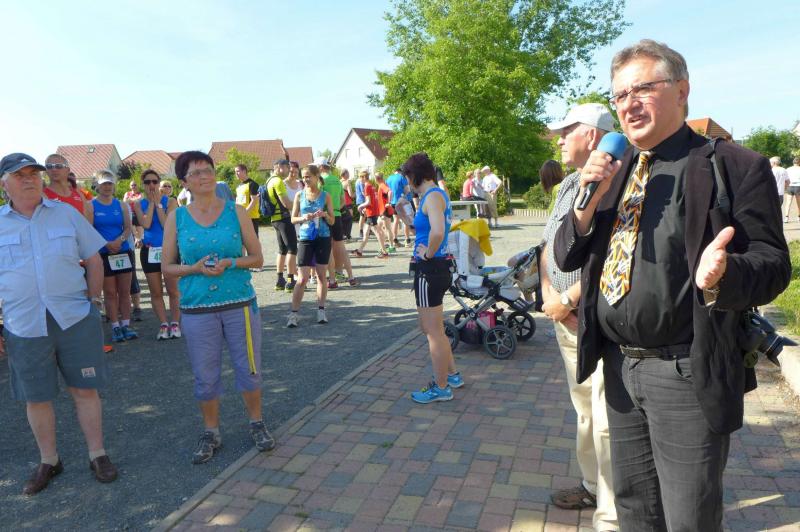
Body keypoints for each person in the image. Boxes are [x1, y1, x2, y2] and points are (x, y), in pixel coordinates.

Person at [553, 39, 790, 531]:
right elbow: (566, 254)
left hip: (685, 372)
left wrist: (725, 275)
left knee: (688, 518)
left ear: (682, 91)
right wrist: (585, 204)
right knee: (635, 511)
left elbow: (773, 265)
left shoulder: (732, 165)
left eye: (643, 88)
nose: (629, 104)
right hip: (618, 367)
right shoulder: (613, 171)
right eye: (620, 95)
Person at [0, 153, 118, 494]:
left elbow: (93, 258)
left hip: (74, 319)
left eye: (33, 173)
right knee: (36, 397)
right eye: (19, 175)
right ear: (4, 184)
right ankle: (49, 460)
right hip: (24, 325)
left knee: (85, 389)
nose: (29, 179)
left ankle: (97, 454)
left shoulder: (66, 213)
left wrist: (93, 300)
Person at [161, 150, 274, 464]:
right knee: (205, 375)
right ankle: (211, 431)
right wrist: (194, 268)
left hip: (240, 304)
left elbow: (258, 258)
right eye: (195, 173)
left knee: (249, 368)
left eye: (208, 170)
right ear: (184, 182)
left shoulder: (236, 212)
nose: (204, 176)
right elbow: (167, 266)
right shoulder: (177, 218)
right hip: (197, 307)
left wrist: (230, 262)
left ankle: (257, 422)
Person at [541, 103, 617, 531]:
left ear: (590, 135)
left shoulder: (614, 184)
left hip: (591, 319)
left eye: (565, 131)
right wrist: (547, 291)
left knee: (606, 420)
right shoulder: (569, 184)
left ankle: (612, 511)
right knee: (585, 410)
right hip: (564, 319)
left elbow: (613, 259)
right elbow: (546, 245)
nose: (558, 140)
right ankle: (591, 486)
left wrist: (568, 299)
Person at [404, 153, 462, 404]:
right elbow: (430, 229)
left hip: (430, 269)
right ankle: (452, 376)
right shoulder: (434, 196)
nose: (407, 183)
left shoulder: (432, 196)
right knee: (432, 328)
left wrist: (427, 253)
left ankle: (441, 387)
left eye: (408, 177)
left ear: (415, 175)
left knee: (433, 332)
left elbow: (437, 232)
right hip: (435, 267)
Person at [132, 170, 181, 340]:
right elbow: (145, 224)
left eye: (154, 181)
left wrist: (159, 204)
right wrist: (152, 204)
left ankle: (175, 322)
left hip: (169, 250)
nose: (151, 185)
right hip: (150, 250)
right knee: (156, 292)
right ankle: (163, 323)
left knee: (173, 290)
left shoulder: (171, 201)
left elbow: (166, 224)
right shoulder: (138, 204)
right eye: (147, 182)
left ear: (159, 183)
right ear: (143, 184)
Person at [286, 165, 335, 327]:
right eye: (304, 177)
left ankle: (321, 310)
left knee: (321, 276)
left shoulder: (325, 196)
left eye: (308, 176)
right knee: (302, 278)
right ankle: (293, 314)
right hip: (306, 237)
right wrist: (303, 218)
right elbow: (293, 219)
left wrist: (325, 215)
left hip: (323, 237)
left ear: (316, 176)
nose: (305, 179)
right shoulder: (300, 195)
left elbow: (332, 221)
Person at [92, 170, 138, 343]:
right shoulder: (91, 205)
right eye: (104, 183)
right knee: (110, 293)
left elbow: (128, 228)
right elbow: (89, 229)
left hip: (122, 251)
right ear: (97, 185)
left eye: (110, 183)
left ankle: (126, 325)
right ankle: (115, 326)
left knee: (125, 292)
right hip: (103, 253)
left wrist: (119, 241)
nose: (107, 186)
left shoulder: (121, 205)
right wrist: (106, 244)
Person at [318, 158, 358, 288]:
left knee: (328, 248)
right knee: (341, 247)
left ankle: (332, 280)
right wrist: (335, 209)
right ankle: (351, 277)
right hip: (338, 215)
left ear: (321, 167)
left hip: (326, 216)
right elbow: (343, 201)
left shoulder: (320, 180)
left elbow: (317, 199)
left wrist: (326, 211)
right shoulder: (337, 180)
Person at [265, 159, 298, 292]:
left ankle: (280, 280)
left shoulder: (269, 180)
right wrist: (300, 204)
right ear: (279, 167)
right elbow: (287, 203)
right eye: (287, 168)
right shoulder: (278, 181)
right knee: (292, 249)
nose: (289, 171)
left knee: (282, 250)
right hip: (284, 219)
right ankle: (290, 281)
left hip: (275, 219)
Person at [44, 154, 93, 223]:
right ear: (46, 171)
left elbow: (87, 224)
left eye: (58, 166)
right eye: (49, 166)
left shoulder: (79, 194)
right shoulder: (42, 196)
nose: (54, 169)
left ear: (68, 170)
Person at [351, 170, 389, 258]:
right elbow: (373, 200)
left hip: (371, 213)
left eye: (360, 177)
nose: (360, 179)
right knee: (366, 232)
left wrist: (360, 206)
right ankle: (359, 251)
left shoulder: (367, 186)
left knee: (377, 232)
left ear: (364, 177)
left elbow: (368, 201)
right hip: (371, 212)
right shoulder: (371, 186)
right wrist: (365, 208)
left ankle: (384, 252)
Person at [386, 167, 412, 247]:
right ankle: (407, 240)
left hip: (393, 202)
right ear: (400, 171)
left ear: (394, 171)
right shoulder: (402, 177)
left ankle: (395, 240)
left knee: (395, 220)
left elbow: (388, 191)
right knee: (405, 220)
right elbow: (407, 190)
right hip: (401, 201)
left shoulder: (389, 178)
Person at [235, 164, 261, 237]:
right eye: (235, 172)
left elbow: (254, 201)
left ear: (244, 171)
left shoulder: (252, 184)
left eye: (238, 171)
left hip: (251, 217)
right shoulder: (239, 186)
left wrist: (245, 213)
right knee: (242, 239)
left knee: (253, 239)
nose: (236, 174)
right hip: (241, 217)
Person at [375, 172, 396, 252]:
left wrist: (389, 202)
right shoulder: (382, 185)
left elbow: (390, 192)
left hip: (384, 210)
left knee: (387, 228)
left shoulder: (382, 185)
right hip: (382, 211)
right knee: (379, 227)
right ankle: (386, 244)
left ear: (377, 179)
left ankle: (391, 246)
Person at [340, 170, 354, 240]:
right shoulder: (347, 182)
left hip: (341, 203)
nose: (349, 174)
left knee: (342, 220)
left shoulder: (339, 182)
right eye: (348, 173)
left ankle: (343, 234)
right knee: (349, 219)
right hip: (348, 203)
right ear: (345, 174)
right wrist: (356, 194)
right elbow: (351, 194)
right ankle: (348, 235)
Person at [786, 156, 800, 222]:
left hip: (790, 186)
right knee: (798, 203)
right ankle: (798, 217)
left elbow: (786, 179)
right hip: (798, 186)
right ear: (799, 162)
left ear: (793, 162)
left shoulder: (788, 169)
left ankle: (786, 217)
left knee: (788, 203)